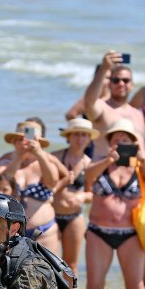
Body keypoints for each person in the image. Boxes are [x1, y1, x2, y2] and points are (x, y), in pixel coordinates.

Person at [81, 119, 145, 289]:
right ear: (111, 143)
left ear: (134, 143)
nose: (121, 143)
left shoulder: (139, 167)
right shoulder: (101, 162)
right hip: (98, 232)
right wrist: (108, 161)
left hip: (130, 234)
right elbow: (87, 177)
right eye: (117, 139)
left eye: (125, 139)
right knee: (94, 288)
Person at [0, 119, 65, 256]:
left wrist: (39, 153)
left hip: (44, 231)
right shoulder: (6, 162)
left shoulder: (44, 162)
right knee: (11, 274)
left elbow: (52, 182)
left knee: (47, 274)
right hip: (11, 233)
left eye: (32, 140)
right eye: (20, 139)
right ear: (14, 141)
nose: (26, 143)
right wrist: (18, 156)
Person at [51, 117, 98, 274]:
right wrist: (63, 182)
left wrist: (83, 197)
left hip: (74, 217)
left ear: (89, 138)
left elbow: (93, 194)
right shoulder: (55, 157)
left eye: (84, 135)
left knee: (71, 266)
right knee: (48, 263)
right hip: (52, 215)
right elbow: (45, 186)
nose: (80, 139)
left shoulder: (89, 163)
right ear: (68, 137)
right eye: (76, 134)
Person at [82, 52, 145, 157]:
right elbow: (89, 102)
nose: (121, 84)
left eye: (125, 80)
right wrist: (104, 68)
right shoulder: (102, 107)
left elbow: (142, 148)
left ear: (132, 85)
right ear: (109, 84)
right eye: (116, 80)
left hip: (133, 169)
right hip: (105, 169)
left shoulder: (138, 114)